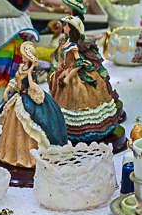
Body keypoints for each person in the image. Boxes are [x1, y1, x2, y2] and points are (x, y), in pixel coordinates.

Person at [49, 14, 123, 145]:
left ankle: (85, 130)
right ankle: (65, 128)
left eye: (66, 25)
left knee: (80, 96)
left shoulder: (74, 46)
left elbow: (79, 64)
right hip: (65, 71)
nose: (64, 27)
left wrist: (68, 77)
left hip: (74, 75)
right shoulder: (65, 42)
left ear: (72, 29)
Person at [0, 41, 68, 172]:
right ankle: (12, 155)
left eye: (24, 55)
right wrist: (7, 91)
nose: (22, 57)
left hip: (26, 97)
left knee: (31, 121)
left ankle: (29, 156)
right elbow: (15, 80)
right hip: (17, 96)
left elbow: (31, 85)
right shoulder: (20, 67)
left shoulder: (31, 72)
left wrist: (30, 72)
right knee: (11, 124)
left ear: (29, 57)